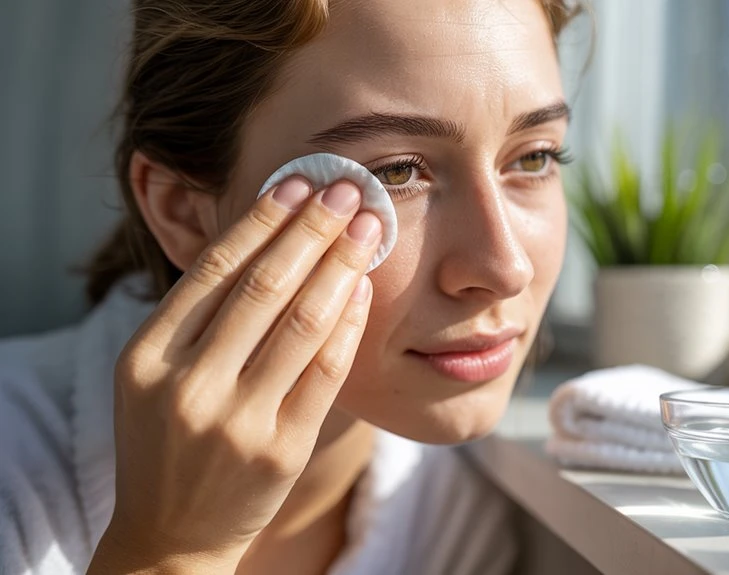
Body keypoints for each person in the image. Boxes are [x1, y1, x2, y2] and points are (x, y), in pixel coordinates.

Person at [0, 0, 580, 573]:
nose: (506, 269)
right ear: (182, 211)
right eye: (396, 171)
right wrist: (172, 552)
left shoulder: (456, 522)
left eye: (534, 158)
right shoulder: (15, 477)